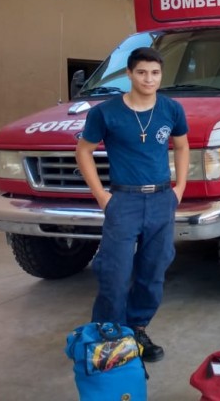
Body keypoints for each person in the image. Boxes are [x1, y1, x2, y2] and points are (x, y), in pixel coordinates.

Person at [75, 47, 189, 363]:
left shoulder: (171, 109)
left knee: (154, 270)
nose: (148, 78)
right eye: (141, 72)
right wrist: (101, 195)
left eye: (154, 73)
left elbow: (181, 146)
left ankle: (137, 329)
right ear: (129, 74)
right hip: (123, 200)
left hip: (160, 200)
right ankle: (109, 337)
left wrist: (179, 188)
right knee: (114, 271)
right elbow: (83, 151)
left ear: (161, 75)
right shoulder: (106, 112)